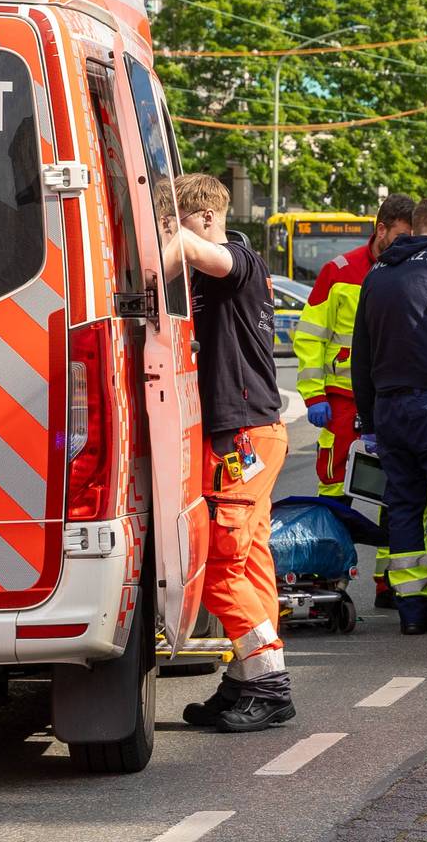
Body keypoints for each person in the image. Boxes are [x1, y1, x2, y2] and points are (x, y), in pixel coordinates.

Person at [161, 173, 294, 733]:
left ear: (209, 219)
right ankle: (245, 679)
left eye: (184, 225)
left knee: (220, 567)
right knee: (251, 564)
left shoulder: (236, 260)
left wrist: (162, 239)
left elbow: (196, 251)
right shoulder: (231, 273)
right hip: (252, 433)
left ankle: (266, 683)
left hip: (241, 438)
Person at [348, 195, 427, 635]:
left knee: (403, 506)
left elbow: (360, 357)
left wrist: (368, 419)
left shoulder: (377, 273)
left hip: (388, 409)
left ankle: (411, 610)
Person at [295, 194, 415, 500]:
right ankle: (335, 539)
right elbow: (310, 335)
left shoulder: (415, 268)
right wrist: (313, 395)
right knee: (335, 475)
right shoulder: (338, 271)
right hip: (343, 395)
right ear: (381, 229)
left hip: (394, 395)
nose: (406, 244)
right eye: (401, 236)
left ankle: (392, 546)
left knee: (397, 481)